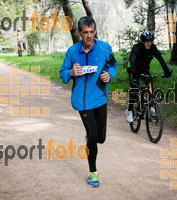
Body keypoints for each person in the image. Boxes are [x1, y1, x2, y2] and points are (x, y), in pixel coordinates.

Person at [60, 16, 117, 188]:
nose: (89, 36)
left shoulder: (104, 48)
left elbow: (113, 65)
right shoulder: (72, 51)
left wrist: (110, 75)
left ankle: (91, 137)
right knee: (92, 136)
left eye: (92, 32)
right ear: (79, 33)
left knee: (101, 138)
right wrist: (71, 73)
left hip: (100, 99)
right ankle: (93, 173)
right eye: (85, 32)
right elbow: (62, 74)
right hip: (82, 102)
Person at [125, 31, 172, 122]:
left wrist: (166, 71)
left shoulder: (152, 48)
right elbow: (132, 60)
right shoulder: (136, 48)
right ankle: (129, 111)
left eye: (151, 41)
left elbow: (160, 59)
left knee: (150, 87)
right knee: (135, 90)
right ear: (142, 41)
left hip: (144, 70)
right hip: (133, 70)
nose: (149, 43)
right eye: (147, 41)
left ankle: (151, 108)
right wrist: (133, 71)